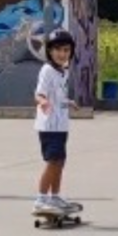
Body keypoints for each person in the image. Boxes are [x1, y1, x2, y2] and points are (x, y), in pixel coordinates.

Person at [33, 28, 78, 212]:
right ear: (50, 51)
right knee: (53, 161)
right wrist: (43, 102)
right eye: (58, 50)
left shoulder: (62, 72)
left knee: (60, 161)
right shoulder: (47, 70)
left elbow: (57, 96)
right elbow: (39, 93)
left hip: (61, 125)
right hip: (49, 126)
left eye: (66, 50)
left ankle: (55, 196)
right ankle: (41, 199)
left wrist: (68, 102)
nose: (62, 54)